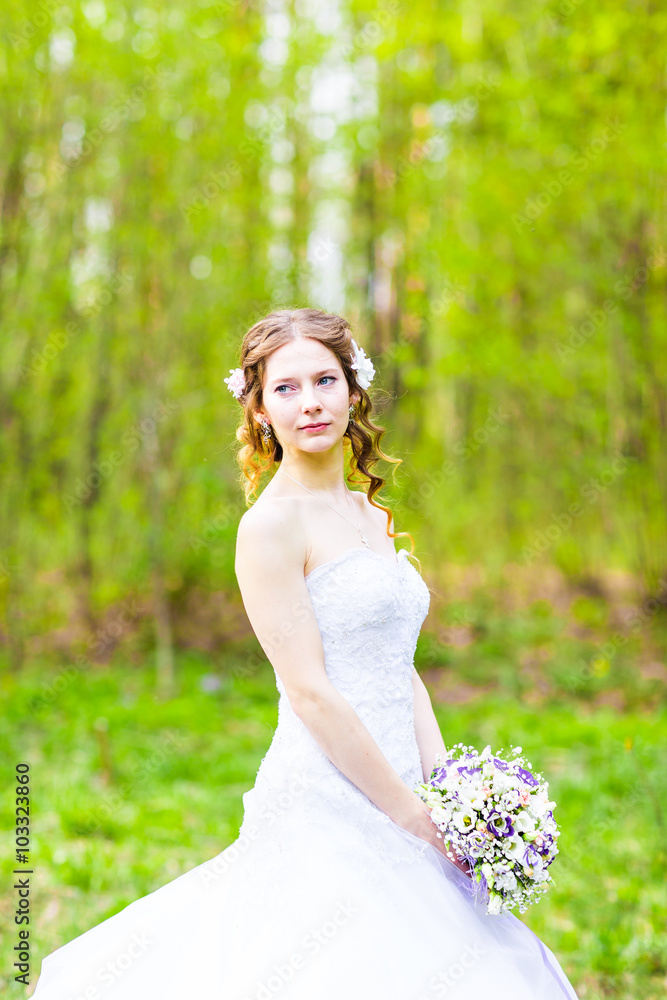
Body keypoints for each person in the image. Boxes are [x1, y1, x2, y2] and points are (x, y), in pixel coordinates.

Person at [32, 307, 579, 999]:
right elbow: (310, 690)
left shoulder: (371, 515)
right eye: (285, 388)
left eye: (324, 379)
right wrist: (406, 814)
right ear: (258, 408)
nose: (310, 402)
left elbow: (398, 666)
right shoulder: (269, 528)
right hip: (327, 791)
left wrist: (450, 794)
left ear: (354, 391)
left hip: (407, 781)